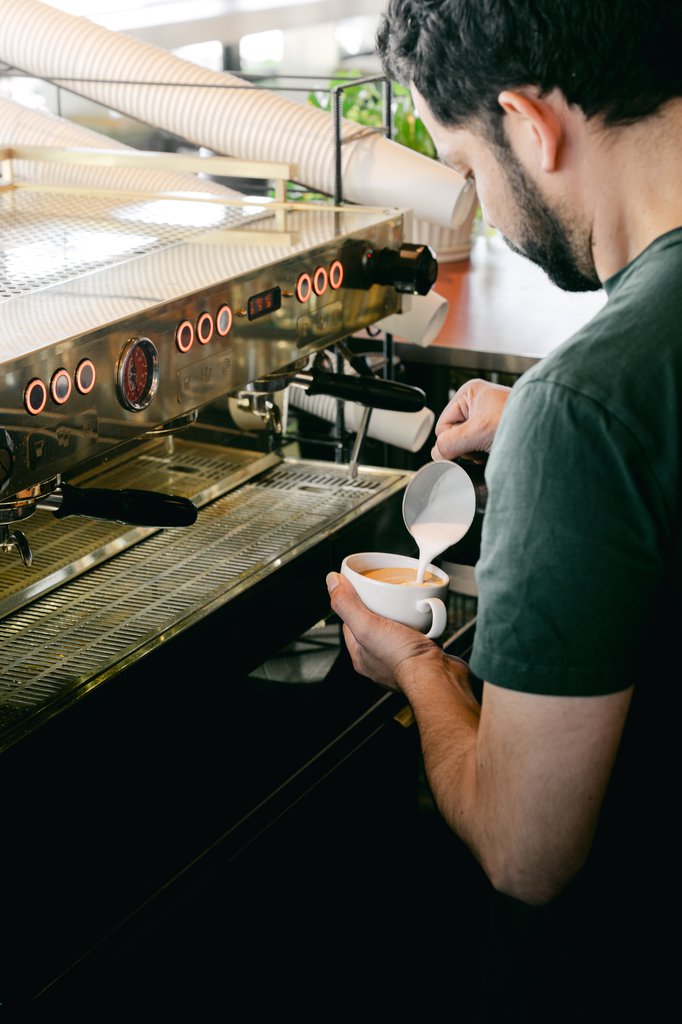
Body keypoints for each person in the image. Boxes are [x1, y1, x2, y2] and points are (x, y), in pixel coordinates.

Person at [326, 2, 682, 1020]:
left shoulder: (588, 406)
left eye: (471, 171)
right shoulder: (595, 403)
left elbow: (527, 850)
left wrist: (415, 666)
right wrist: (545, 415)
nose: (484, 210)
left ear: (530, 125)